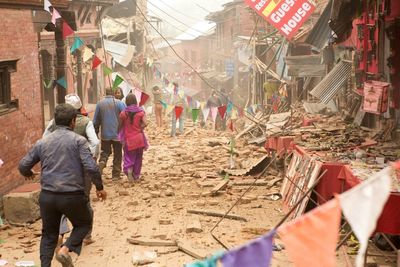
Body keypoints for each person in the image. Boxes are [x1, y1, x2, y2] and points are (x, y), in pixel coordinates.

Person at [18, 104, 107, 267]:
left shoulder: (42, 142)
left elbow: (23, 165)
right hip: (73, 195)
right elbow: (91, 167)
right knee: (84, 224)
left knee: (48, 235)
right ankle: (65, 250)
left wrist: (29, 174)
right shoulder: (79, 141)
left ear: (54, 121)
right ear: (73, 122)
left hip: (48, 196)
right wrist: (100, 188)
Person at [43, 94, 99, 246]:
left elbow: (44, 139)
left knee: (60, 200)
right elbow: (95, 142)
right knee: (84, 200)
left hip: (58, 167)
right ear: (80, 108)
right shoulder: (86, 122)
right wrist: (90, 158)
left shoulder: (54, 122)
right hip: (81, 169)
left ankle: (60, 233)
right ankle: (86, 235)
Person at [93, 88, 126, 180]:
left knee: (105, 151)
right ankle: (116, 175)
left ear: (105, 93)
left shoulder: (100, 104)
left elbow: (95, 120)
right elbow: (126, 116)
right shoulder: (119, 103)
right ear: (113, 93)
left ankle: (102, 162)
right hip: (117, 134)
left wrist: (96, 132)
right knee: (118, 154)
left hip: (105, 134)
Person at [118, 94, 148, 182]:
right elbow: (145, 123)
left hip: (128, 139)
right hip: (139, 138)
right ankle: (136, 176)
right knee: (138, 157)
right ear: (135, 101)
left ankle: (129, 170)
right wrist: (140, 128)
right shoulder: (141, 112)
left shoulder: (123, 113)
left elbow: (120, 125)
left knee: (128, 156)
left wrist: (119, 134)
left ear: (126, 102)